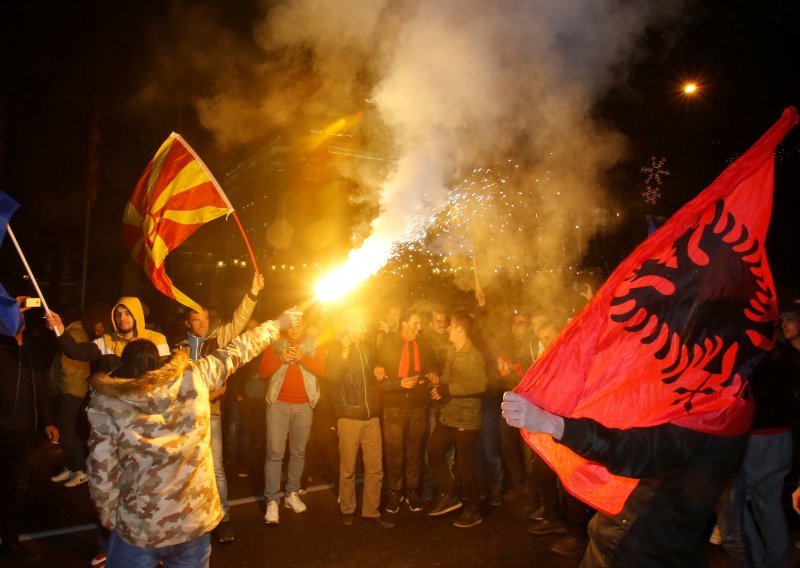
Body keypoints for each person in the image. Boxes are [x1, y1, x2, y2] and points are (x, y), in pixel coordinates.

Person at [56, 313, 289, 568]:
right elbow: (237, 351)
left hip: (140, 529)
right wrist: (277, 325)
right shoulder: (194, 377)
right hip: (193, 524)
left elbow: (102, 471)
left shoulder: (108, 403)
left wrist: (110, 518)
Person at [502, 390, 748, 566]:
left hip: (638, 546)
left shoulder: (712, 409)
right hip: (670, 543)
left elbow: (634, 452)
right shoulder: (730, 401)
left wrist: (553, 424)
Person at [172, 273, 264, 544]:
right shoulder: (177, 348)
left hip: (211, 413)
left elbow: (239, 320)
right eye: (196, 321)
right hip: (186, 417)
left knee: (217, 469)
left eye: (205, 320)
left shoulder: (218, 339)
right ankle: (190, 520)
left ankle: (223, 520)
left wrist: (253, 293)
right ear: (187, 323)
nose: (202, 324)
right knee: (186, 470)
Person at [0, 298, 59, 564]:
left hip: (24, 431)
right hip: (2, 427)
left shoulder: (31, 351)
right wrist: (10, 309)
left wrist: (48, 421)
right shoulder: (2, 348)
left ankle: (10, 542)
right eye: (14, 315)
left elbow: (41, 390)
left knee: (17, 488)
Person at [326, 311, 394, 529]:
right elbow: (334, 377)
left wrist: (379, 366)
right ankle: (348, 510)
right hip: (349, 418)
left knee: (375, 468)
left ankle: (371, 512)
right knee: (348, 470)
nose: (365, 330)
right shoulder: (337, 350)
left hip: (371, 418)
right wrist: (344, 351)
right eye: (361, 326)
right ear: (350, 328)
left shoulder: (366, 348)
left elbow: (373, 372)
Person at [260, 314, 326, 524]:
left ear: (304, 325)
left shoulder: (314, 343)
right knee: (275, 453)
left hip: (304, 405)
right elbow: (263, 372)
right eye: (291, 326)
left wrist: (302, 358)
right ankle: (272, 501)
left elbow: (323, 370)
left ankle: (291, 494)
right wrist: (281, 358)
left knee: (298, 452)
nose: (295, 330)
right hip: (278, 404)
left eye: (299, 326)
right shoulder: (276, 342)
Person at [427, 309, 487, 528]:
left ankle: (473, 509)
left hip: (466, 418)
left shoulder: (473, 355)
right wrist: (438, 388)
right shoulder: (452, 350)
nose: (448, 328)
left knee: (465, 465)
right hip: (449, 414)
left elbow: (479, 384)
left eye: (451, 325)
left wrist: (448, 389)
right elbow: (446, 379)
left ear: (460, 329)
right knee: (433, 450)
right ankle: (451, 493)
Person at [376, 307, 432, 514]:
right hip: (394, 406)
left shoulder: (423, 345)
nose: (420, 327)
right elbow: (379, 378)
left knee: (414, 450)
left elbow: (430, 369)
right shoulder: (389, 343)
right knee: (394, 452)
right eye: (416, 323)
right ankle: (394, 491)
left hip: (417, 405)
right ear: (404, 323)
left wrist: (431, 375)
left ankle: (412, 490)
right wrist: (401, 383)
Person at [52, 296, 170, 372]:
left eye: (128, 313)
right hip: (114, 406)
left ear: (137, 315)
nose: (122, 318)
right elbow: (75, 351)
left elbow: (166, 373)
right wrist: (59, 328)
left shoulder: (157, 339)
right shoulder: (106, 341)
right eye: (118, 314)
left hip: (145, 407)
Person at [49, 309, 92, 488]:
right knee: (65, 429)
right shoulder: (76, 332)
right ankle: (73, 467)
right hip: (70, 387)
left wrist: (61, 384)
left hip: (72, 388)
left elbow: (71, 364)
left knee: (67, 431)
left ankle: (81, 470)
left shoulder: (74, 334)